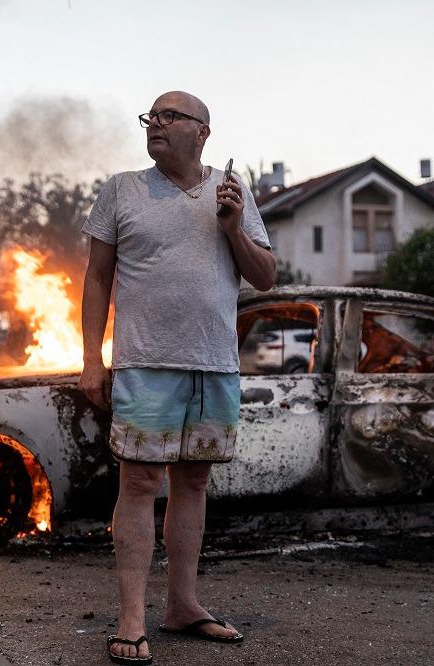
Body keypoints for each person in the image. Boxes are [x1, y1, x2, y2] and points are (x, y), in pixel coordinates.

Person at [79, 91, 276, 664]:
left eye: (169, 116)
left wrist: (235, 225)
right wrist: (93, 358)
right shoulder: (122, 189)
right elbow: (96, 280)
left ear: (202, 131)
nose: (155, 124)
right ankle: (132, 617)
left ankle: (183, 606)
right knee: (139, 483)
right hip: (145, 361)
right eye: (151, 117)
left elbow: (264, 277)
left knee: (194, 483)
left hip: (214, 361)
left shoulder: (232, 192)